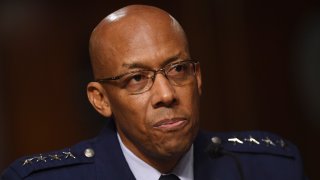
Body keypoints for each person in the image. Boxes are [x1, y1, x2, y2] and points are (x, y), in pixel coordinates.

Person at [1, 5, 307, 180]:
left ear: (197, 78)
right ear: (101, 99)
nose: (166, 94)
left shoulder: (272, 168)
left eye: (177, 70)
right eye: (136, 78)